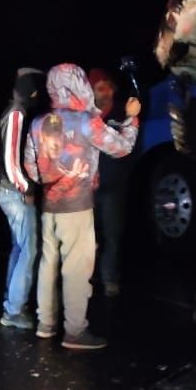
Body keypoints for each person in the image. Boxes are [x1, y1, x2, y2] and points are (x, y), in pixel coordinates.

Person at [24, 64, 140, 350]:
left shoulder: (39, 122)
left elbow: (30, 168)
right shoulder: (87, 121)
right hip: (77, 207)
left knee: (48, 264)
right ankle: (75, 331)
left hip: (49, 206)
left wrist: (52, 182)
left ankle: (45, 324)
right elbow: (122, 147)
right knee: (76, 268)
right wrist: (132, 120)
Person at [0, 68, 45, 330]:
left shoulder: (14, 110)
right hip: (13, 192)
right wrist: (25, 188)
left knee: (19, 246)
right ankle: (13, 311)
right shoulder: (16, 114)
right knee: (30, 248)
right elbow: (9, 159)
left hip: (9, 190)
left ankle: (12, 301)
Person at [88, 68, 134, 297]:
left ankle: (109, 279)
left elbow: (131, 145)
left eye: (107, 86)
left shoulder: (122, 112)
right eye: (99, 88)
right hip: (88, 188)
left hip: (114, 187)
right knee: (87, 238)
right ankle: (85, 278)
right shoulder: (85, 115)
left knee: (113, 235)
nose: (105, 92)